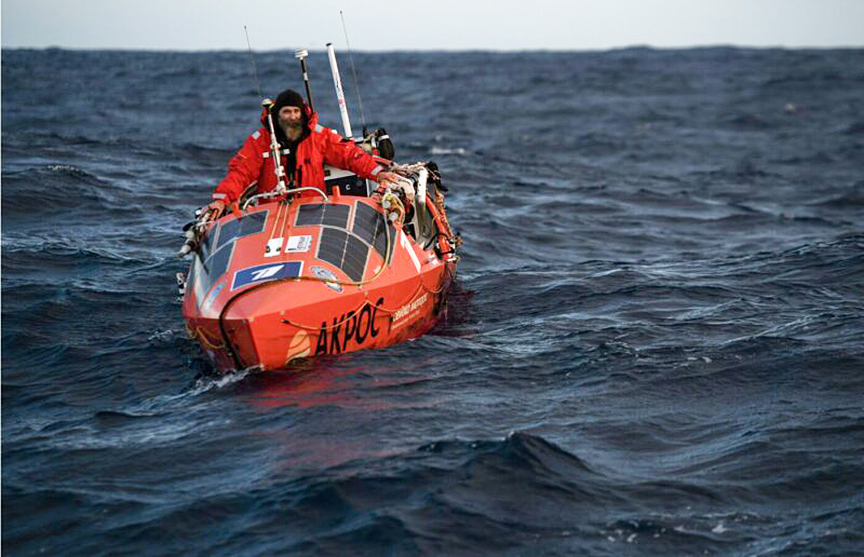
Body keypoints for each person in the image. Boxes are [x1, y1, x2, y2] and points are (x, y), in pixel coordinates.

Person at [206, 88, 402, 217]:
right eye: (286, 112)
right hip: (269, 214)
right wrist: (221, 200)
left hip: (313, 211)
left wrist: (378, 173)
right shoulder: (260, 141)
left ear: (302, 113)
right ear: (277, 114)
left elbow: (349, 155)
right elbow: (240, 172)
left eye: (295, 111)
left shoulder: (318, 137)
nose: (292, 117)